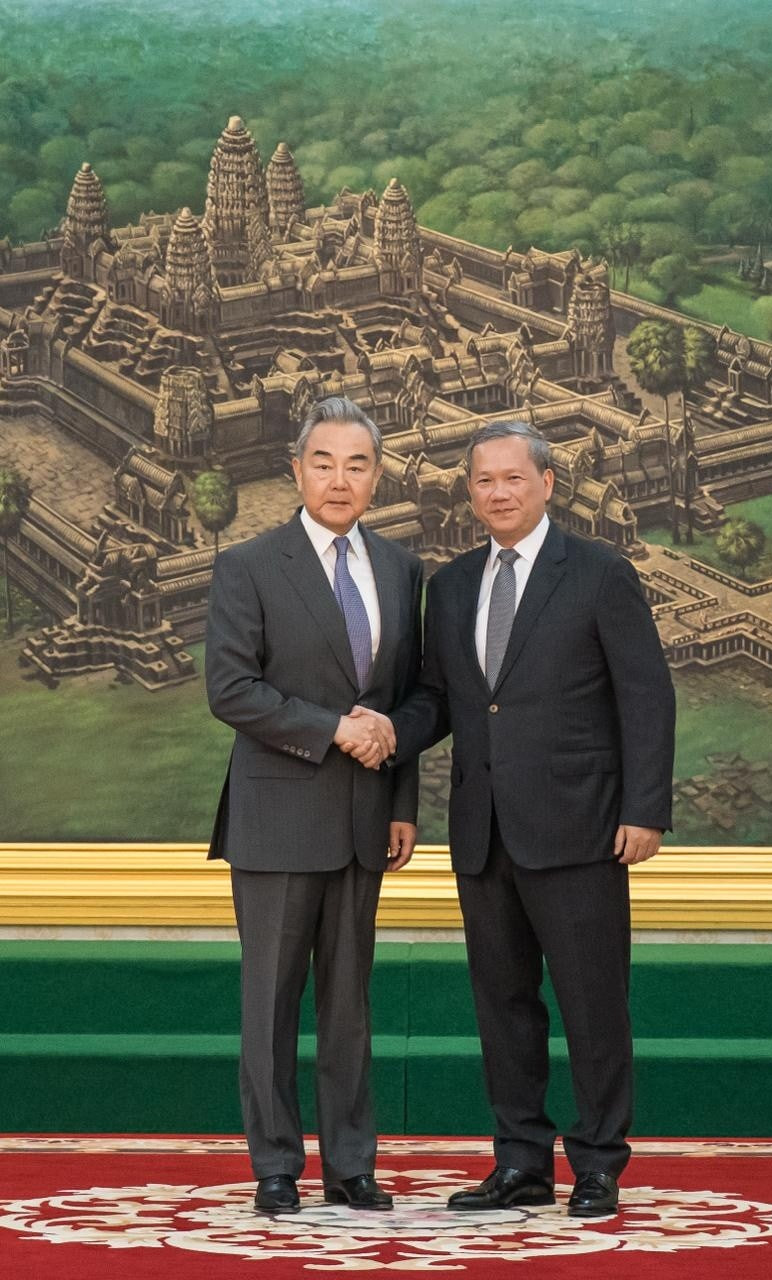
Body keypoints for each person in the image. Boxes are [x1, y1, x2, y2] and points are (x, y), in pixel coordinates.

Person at [349, 419, 675, 1218]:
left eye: (512, 478)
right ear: (469, 491)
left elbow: (646, 696)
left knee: (592, 1005)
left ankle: (596, 1163)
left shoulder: (599, 573)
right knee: (503, 1008)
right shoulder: (452, 584)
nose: (497, 493)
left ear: (546, 484)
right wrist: (388, 731)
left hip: (582, 828)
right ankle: (520, 1161)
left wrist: (644, 810)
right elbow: (440, 698)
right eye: (483, 481)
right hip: (483, 831)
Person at [205, 395, 422, 1215]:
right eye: (323, 463)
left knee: (349, 1006)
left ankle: (351, 1166)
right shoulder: (250, 565)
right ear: (295, 471)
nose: (339, 479)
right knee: (269, 1003)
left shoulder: (401, 568)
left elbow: (405, 700)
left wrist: (401, 799)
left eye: (356, 464)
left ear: (377, 474)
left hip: (366, 820)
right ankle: (274, 1165)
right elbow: (231, 689)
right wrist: (333, 730)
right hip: (276, 820)